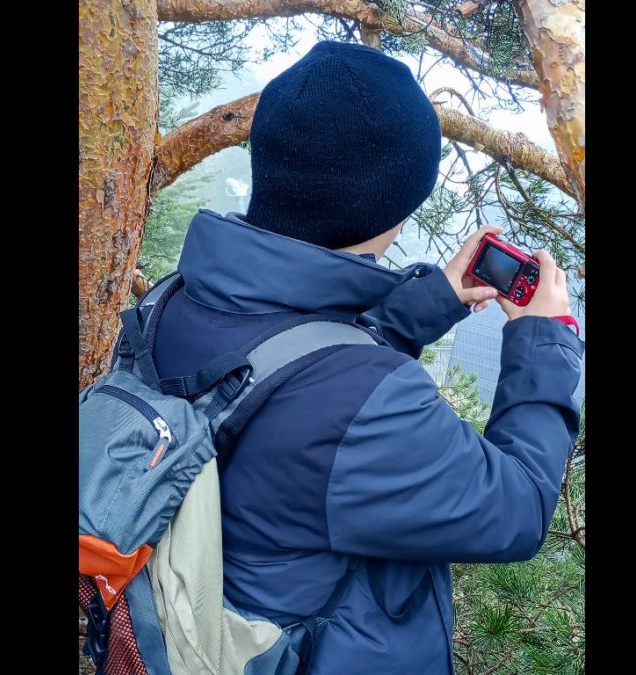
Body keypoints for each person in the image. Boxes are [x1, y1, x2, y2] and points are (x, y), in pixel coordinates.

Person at [153, 40, 583, 675]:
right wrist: (547, 338)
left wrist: (428, 304)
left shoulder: (177, 299)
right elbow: (515, 507)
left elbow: (287, 368)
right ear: (393, 199)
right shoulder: (362, 399)